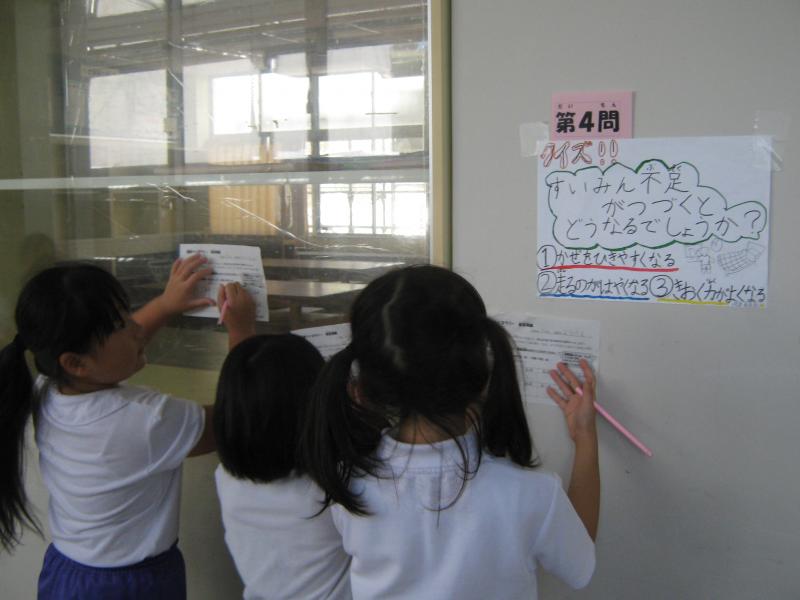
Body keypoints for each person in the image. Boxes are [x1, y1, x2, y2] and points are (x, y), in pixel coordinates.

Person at [302, 265, 599, 599]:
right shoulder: (531, 493)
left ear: (366, 387)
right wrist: (585, 438)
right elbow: (579, 562)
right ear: (482, 376)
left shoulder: (345, 483)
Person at [0, 254, 222, 599]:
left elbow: (103, 354)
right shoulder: (146, 419)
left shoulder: (47, 389)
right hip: (130, 587)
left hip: (66, 573)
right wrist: (242, 332)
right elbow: (236, 422)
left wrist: (165, 305)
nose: (136, 328)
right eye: (121, 324)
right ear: (75, 362)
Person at [213, 282, 351, 600]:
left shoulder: (228, 478)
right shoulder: (334, 484)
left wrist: (240, 330)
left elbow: (254, 400)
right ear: (315, 405)